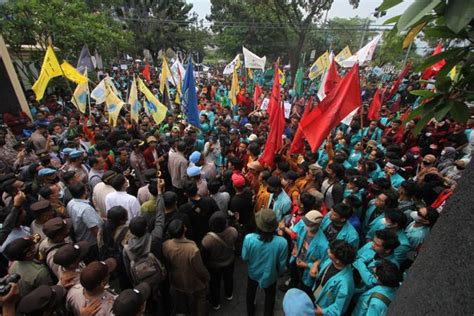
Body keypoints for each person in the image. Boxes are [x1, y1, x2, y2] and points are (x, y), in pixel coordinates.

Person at [242, 208, 288, 316]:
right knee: (270, 296)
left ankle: (250, 311)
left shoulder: (249, 238)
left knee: (251, 292)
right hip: (271, 275)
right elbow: (282, 264)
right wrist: (280, 273)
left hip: (253, 272)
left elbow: (244, 257)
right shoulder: (282, 242)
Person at [162, 219, 210, 316]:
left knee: (181, 296)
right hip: (192, 279)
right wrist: (206, 277)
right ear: (184, 230)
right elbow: (199, 268)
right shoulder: (193, 249)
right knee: (200, 298)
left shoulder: (165, 245)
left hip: (176, 277)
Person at [201, 211, 238, 310]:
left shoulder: (207, 240)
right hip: (229, 261)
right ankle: (229, 294)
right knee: (229, 278)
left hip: (215, 266)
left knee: (214, 284)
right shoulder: (232, 231)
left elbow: (204, 256)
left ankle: (215, 303)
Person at [311, 240, 356, 316]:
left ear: (337, 260)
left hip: (323, 309)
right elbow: (321, 262)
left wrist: (322, 312)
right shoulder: (331, 260)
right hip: (316, 298)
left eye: (330, 252)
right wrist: (315, 265)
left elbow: (338, 308)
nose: (328, 250)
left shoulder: (345, 284)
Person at [352, 229, 400, 293]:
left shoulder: (391, 266)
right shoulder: (370, 245)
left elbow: (372, 283)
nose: (372, 245)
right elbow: (355, 257)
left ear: (387, 250)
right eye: (373, 241)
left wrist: (360, 263)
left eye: (377, 245)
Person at [67, 182, 103, 263]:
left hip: (81, 237)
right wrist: (101, 244)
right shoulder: (86, 209)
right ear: (85, 192)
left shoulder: (70, 203)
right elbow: (94, 229)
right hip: (92, 243)